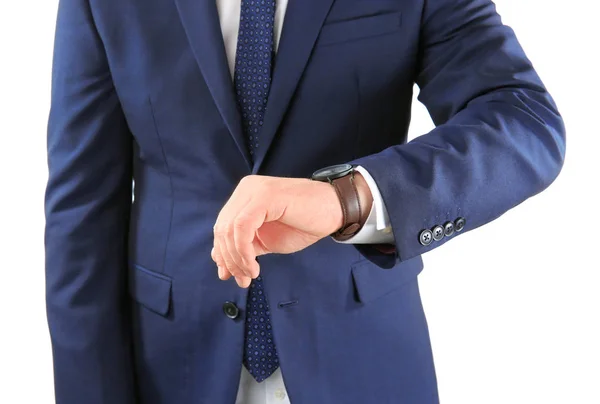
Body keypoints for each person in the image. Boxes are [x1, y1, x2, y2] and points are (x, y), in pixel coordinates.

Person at [44, 0, 565, 402]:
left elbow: (523, 121)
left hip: (364, 360)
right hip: (171, 367)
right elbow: (81, 210)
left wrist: (349, 199)